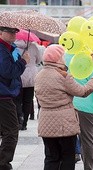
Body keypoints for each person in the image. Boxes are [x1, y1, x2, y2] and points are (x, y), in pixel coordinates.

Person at [34, 44, 93, 170]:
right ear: (58, 58)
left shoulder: (39, 76)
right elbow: (83, 91)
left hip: (45, 123)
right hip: (64, 124)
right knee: (67, 157)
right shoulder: (63, 76)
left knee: (51, 158)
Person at [65, 53, 93, 170]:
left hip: (68, 103)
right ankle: (89, 167)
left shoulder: (65, 56)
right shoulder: (89, 59)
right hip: (86, 104)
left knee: (68, 139)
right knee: (88, 140)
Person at [0, 26, 30, 170]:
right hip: (3, 95)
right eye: (10, 31)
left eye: (15, 32)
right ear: (1, 32)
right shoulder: (2, 49)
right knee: (11, 130)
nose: (14, 34)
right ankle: (3, 164)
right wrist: (23, 62)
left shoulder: (8, 48)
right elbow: (8, 71)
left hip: (6, 93)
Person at [14, 40, 45, 130]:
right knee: (28, 100)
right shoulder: (34, 46)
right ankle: (24, 123)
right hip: (32, 75)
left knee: (17, 99)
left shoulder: (15, 46)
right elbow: (39, 60)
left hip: (20, 73)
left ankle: (19, 118)